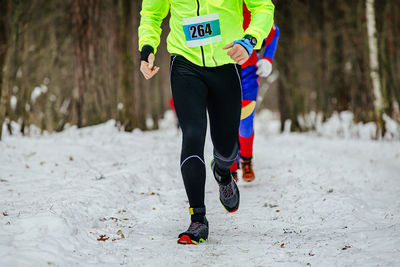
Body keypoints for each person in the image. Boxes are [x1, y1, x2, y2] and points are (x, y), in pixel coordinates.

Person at [138, 0, 274, 245]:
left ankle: (222, 173)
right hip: (184, 63)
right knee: (192, 134)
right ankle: (197, 219)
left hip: (225, 63)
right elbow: (151, 14)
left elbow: (263, 7)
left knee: (227, 148)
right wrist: (147, 47)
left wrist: (250, 39)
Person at [230, 4, 279, 183]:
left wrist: (267, 58)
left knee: (244, 121)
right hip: (222, 72)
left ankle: (246, 161)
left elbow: (273, 31)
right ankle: (231, 167)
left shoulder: (252, 6)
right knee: (226, 121)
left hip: (248, 75)